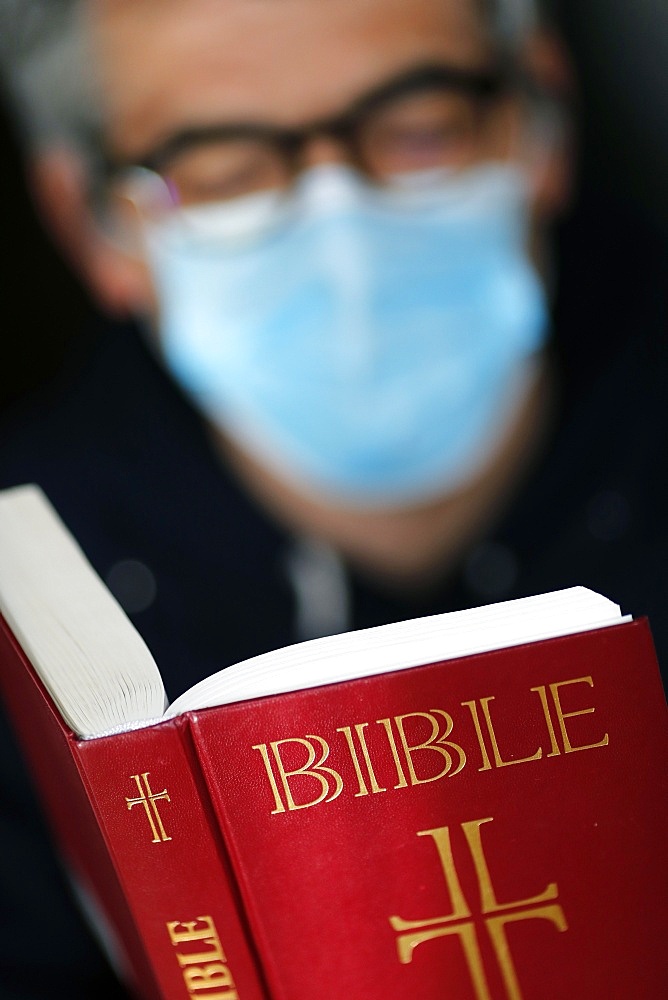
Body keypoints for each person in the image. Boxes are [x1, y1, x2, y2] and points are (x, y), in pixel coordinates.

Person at [0, 1, 666, 995]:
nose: (338, 223)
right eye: (220, 165)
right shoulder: (26, 591)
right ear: (92, 222)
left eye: (416, 122)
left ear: (538, 117)